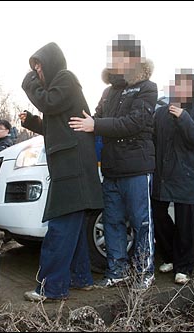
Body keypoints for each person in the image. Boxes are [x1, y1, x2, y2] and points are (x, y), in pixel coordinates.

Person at [69, 34, 157, 291]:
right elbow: (93, 119)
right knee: (112, 222)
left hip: (137, 168)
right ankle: (116, 271)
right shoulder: (108, 91)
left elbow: (134, 122)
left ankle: (144, 272)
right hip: (111, 169)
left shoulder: (147, 88)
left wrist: (96, 124)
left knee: (141, 223)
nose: (115, 61)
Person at [19, 41, 103, 301]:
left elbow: (48, 102)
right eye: (34, 69)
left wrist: (28, 82)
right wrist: (33, 122)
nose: (37, 72)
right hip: (70, 165)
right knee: (73, 228)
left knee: (59, 227)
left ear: (52, 63)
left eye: (39, 67)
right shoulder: (60, 92)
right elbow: (57, 126)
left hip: (72, 167)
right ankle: (81, 278)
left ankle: (51, 288)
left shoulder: (66, 78)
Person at [151, 69, 194, 284]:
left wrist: (184, 117)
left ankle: (184, 266)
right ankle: (170, 256)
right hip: (163, 175)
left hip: (186, 176)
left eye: (185, 85)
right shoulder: (160, 113)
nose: (180, 89)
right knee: (158, 215)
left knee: (186, 223)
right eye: (177, 85)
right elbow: (153, 139)